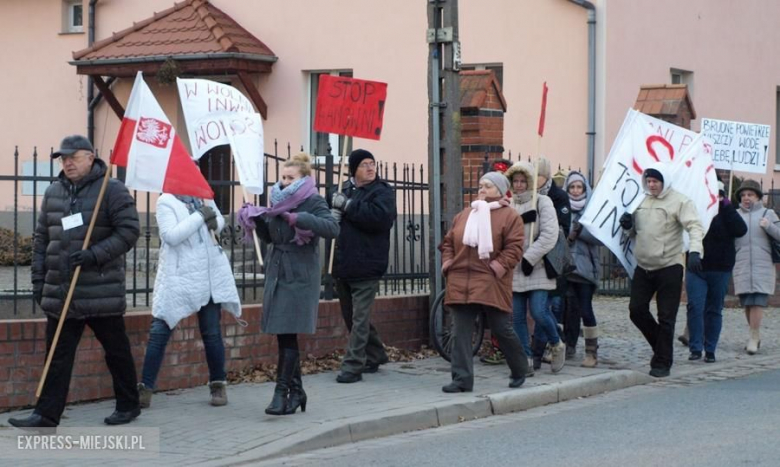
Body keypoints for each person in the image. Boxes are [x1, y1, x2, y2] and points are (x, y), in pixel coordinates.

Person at [10, 135, 141, 428]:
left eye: (73, 157)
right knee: (57, 355)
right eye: (63, 158)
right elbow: (43, 239)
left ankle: (128, 404)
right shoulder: (54, 191)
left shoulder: (112, 190)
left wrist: (94, 255)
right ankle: (46, 414)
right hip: (62, 290)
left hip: (100, 289)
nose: (67, 162)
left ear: (90, 157)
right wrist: (39, 281)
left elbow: (130, 231)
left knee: (116, 352)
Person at [239, 153, 339, 414]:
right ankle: (297, 392)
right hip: (278, 273)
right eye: (282, 177)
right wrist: (257, 219)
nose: (284, 182)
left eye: (290, 177)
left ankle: (280, 393)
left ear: (304, 178)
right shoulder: (277, 200)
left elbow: (332, 228)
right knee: (284, 334)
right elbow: (271, 238)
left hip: (300, 275)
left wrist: (300, 219)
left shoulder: (313, 200)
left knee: (287, 333)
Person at [138, 187, 241, 409]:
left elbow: (219, 223)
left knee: (211, 332)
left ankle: (218, 384)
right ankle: (145, 387)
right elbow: (171, 236)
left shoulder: (203, 195)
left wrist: (216, 222)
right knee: (160, 330)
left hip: (208, 274)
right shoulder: (166, 201)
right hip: (179, 275)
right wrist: (199, 216)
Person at [439, 172, 528, 392]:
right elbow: (448, 241)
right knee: (460, 331)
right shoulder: (465, 214)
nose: (482, 189)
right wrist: (448, 263)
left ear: (500, 190)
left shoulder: (510, 216)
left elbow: (514, 248)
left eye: (487, 186)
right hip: (461, 278)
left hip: (490, 280)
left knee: (501, 328)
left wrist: (497, 267)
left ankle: (519, 368)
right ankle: (461, 380)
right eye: (480, 185)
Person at [619, 163, 704, 378]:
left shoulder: (680, 201)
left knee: (667, 316)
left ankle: (662, 362)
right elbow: (633, 233)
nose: (652, 185)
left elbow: (694, 226)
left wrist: (695, 251)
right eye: (648, 181)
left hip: (669, 266)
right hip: (644, 265)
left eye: (655, 181)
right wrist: (627, 224)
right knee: (636, 310)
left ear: (664, 181)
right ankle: (662, 346)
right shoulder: (640, 201)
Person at [331, 149, 396, 384]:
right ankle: (376, 354)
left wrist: (348, 206)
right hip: (343, 264)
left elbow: (381, 218)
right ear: (353, 169)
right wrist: (332, 211)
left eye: (372, 163)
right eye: (364, 164)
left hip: (368, 264)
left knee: (359, 319)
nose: (370, 168)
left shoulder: (382, 192)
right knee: (352, 317)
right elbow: (333, 211)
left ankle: (353, 366)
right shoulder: (343, 189)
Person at [505, 161, 566, 374]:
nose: (519, 185)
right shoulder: (508, 204)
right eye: (516, 181)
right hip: (515, 268)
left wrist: (530, 258)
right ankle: (526, 358)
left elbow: (550, 235)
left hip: (537, 266)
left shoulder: (543, 202)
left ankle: (557, 343)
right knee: (518, 316)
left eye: (523, 181)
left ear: (530, 182)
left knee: (539, 311)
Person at [684, 181, 746, 362]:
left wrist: (725, 206)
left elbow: (740, 230)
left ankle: (710, 348)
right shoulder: (695, 208)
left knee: (714, 309)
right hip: (697, 266)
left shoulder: (727, 212)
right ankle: (695, 347)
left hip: (720, 267)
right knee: (695, 306)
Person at [733, 179, 780, 355]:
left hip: (763, 264)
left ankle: (753, 336)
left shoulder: (768, 214)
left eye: (750, 194)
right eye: (744, 195)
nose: (747, 198)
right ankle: (754, 334)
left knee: (758, 301)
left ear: (758, 197)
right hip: (742, 264)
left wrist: (769, 227)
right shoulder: (736, 215)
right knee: (746, 302)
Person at [564, 171, 601, 367]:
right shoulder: (563, 208)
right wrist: (568, 232)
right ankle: (566, 346)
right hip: (566, 268)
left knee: (585, 309)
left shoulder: (592, 210)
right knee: (565, 310)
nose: (576, 191)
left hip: (585, 270)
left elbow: (599, 238)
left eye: (579, 187)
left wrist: (582, 231)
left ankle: (591, 351)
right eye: (572, 187)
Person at [480, 158, 514, 366]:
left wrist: (500, 264)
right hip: (482, 266)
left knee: (501, 314)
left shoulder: (508, 207)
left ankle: (513, 355)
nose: (483, 189)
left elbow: (513, 242)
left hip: (501, 267)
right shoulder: (479, 207)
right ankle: (496, 347)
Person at [536, 158, 571, 362]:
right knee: (541, 308)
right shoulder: (529, 197)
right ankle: (542, 348)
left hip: (554, 258)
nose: (535, 181)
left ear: (546, 177)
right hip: (535, 259)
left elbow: (563, 228)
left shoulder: (558, 197)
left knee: (551, 306)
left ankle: (550, 346)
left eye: (538, 176)